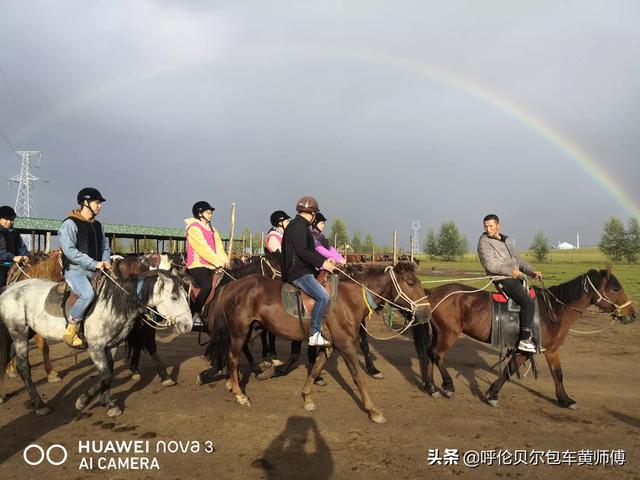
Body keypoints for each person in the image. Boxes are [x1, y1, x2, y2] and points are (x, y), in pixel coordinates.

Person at [477, 214, 543, 353]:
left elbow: (517, 259)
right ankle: (525, 340)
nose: (488, 229)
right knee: (528, 302)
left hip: (514, 276)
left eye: (491, 226)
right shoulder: (484, 243)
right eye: (485, 226)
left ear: (498, 226)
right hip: (502, 278)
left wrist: (531, 271)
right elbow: (490, 264)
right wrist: (509, 271)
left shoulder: (506, 240)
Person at [58, 188, 112, 348]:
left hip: (96, 270)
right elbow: (70, 251)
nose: (100, 206)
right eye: (97, 202)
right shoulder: (69, 223)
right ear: (85, 203)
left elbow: (105, 247)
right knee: (87, 294)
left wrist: (106, 261)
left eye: (100, 203)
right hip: (75, 271)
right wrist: (94, 263)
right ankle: (71, 328)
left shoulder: (98, 225)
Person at [281, 196, 336, 347]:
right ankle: (314, 333)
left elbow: (309, 252)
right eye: (315, 214)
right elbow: (302, 251)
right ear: (312, 213)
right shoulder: (298, 227)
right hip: (298, 273)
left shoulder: (300, 226)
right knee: (323, 296)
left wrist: (325, 262)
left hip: (302, 270)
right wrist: (322, 262)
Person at [185, 201, 229, 324]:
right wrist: (217, 261)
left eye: (211, 213)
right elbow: (203, 249)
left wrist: (224, 260)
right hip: (197, 265)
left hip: (212, 265)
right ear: (200, 213)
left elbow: (219, 247)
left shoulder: (212, 229)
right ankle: (194, 313)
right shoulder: (193, 228)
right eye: (208, 212)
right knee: (207, 285)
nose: (211, 215)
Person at [0, 206, 29, 287]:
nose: (9, 222)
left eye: (12, 220)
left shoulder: (15, 232)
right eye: (6, 219)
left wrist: (25, 255)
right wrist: (13, 257)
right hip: (2, 265)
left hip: (14, 264)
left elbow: (21, 246)